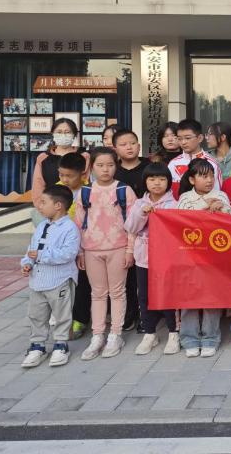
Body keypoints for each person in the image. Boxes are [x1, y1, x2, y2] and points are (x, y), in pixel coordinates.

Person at [74, 147, 136, 361]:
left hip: (118, 247)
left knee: (117, 292)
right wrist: (80, 251)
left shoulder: (124, 190)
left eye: (110, 165)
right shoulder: (84, 192)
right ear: (92, 167)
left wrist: (130, 250)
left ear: (116, 166)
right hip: (91, 249)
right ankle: (97, 335)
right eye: (100, 165)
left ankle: (115, 334)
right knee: (98, 293)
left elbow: (133, 224)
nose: (105, 169)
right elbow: (78, 224)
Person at [20, 185, 80, 368]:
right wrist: (27, 263)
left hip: (59, 280)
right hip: (37, 281)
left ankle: (61, 344)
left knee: (62, 315)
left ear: (58, 205)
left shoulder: (70, 228)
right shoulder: (41, 226)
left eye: (43, 202)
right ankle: (37, 345)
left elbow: (68, 254)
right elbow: (32, 248)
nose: (39, 206)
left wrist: (41, 256)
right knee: (36, 314)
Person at [124, 163, 180, 356]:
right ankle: (150, 333)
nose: (157, 183)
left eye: (162, 179)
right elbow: (130, 227)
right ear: (145, 182)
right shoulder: (139, 204)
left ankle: (173, 332)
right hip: (144, 259)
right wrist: (142, 213)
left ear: (169, 182)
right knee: (144, 296)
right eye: (152, 179)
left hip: (167, 260)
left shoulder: (174, 205)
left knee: (168, 295)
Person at [177, 158, 231, 357]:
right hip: (190, 255)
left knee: (211, 296)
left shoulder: (221, 196)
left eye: (211, 176)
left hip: (215, 256)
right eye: (203, 176)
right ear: (192, 179)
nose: (209, 180)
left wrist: (220, 208)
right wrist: (204, 208)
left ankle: (210, 338)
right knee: (189, 296)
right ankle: (189, 338)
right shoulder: (185, 198)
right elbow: (180, 222)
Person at [112, 129, 149, 333]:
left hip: (147, 230)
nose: (129, 147)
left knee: (143, 276)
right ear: (115, 148)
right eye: (123, 144)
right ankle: (128, 314)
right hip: (119, 231)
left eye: (133, 143)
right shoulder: (113, 171)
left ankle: (146, 316)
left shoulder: (148, 167)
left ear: (139, 145)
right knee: (125, 276)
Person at [56, 153, 90, 339]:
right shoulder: (56, 191)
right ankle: (62, 318)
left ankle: (80, 318)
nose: (65, 179)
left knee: (82, 284)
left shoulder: (89, 191)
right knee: (63, 284)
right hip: (62, 246)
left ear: (83, 174)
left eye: (69, 176)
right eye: (61, 175)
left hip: (84, 244)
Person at [31, 118, 89, 220]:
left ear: (74, 135)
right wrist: (44, 208)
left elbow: (86, 183)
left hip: (79, 210)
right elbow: (38, 187)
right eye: (59, 132)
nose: (63, 135)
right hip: (50, 211)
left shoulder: (84, 156)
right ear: (53, 134)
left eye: (67, 132)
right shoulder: (43, 158)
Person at [168, 119, 223, 198]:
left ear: (200, 138)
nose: (183, 142)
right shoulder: (173, 164)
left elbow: (217, 193)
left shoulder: (211, 163)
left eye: (187, 138)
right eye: (179, 139)